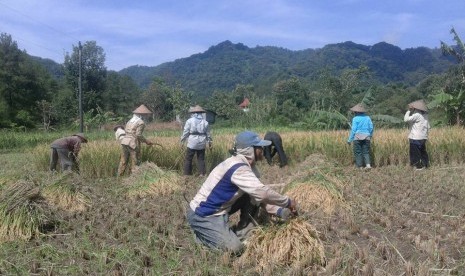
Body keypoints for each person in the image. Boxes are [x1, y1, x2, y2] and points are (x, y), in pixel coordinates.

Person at [186, 131, 297, 254]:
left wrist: (279, 211)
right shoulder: (238, 168)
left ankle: (242, 232)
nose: (262, 149)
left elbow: (258, 196)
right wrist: (287, 202)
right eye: (259, 147)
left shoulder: (245, 165)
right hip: (204, 214)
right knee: (235, 249)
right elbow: (263, 193)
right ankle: (202, 237)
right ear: (250, 150)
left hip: (222, 209)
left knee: (251, 194)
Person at [119, 104, 154, 176]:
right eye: (146, 115)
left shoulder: (130, 121)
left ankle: (119, 176)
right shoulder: (141, 122)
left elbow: (126, 131)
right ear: (142, 114)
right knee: (135, 161)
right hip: (132, 143)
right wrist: (146, 141)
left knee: (123, 161)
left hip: (124, 141)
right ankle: (134, 179)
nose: (146, 116)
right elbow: (138, 135)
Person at [180, 105, 212, 176]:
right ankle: (202, 174)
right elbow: (208, 134)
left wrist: (182, 140)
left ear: (193, 113)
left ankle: (187, 174)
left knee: (189, 158)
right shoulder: (205, 122)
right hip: (202, 142)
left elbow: (186, 132)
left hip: (192, 141)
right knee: (201, 158)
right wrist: (210, 142)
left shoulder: (189, 121)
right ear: (201, 113)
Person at [404, 99, 430, 170]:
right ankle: (426, 165)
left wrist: (409, 110)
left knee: (415, 153)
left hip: (415, 137)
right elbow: (428, 127)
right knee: (423, 152)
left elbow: (406, 119)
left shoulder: (417, 115)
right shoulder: (425, 116)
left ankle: (417, 167)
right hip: (423, 137)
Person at [347, 103, 374, 169]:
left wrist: (349, 140)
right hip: (367, 137)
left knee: (358, 152)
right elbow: (371, 127)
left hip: (357, 137)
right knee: (366, 151)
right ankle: (368, 165)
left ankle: (360, 166)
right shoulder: (368, 118)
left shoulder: (355, 119)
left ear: (356, 112)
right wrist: (370, 135)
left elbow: (353, 130)